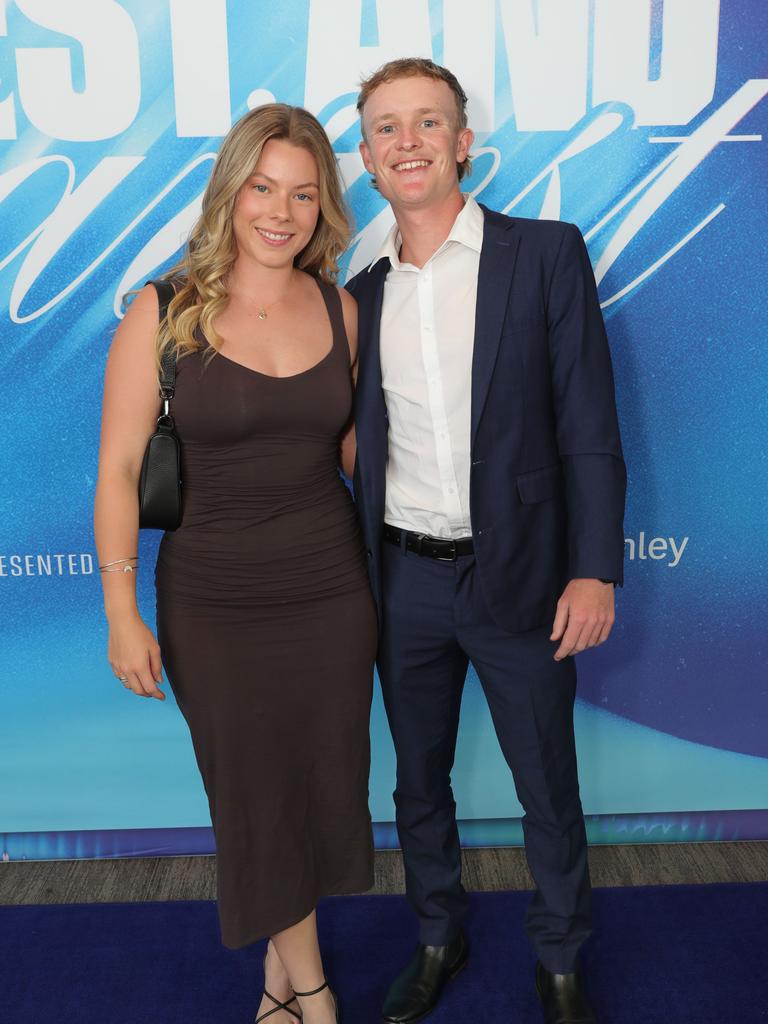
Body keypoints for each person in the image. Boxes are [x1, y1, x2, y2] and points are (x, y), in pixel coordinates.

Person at [346, 59, 626, 1024]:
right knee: (416, 780)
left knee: (547, 780)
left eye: (429, 122)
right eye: (387, 128)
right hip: (403, 579)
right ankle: (438, 932)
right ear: (369, 158)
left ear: (464, 142)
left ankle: (560, 957)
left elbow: (589, 423)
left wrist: (594, 567)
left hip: (526, 577)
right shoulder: (359, 291)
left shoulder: (546, 252)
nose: (408, 141)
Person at [94, 103, 377, 1024]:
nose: (281, 211)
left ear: (323, 206)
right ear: (231, 190)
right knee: (252, 792)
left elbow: (352, 455)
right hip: (213, 598)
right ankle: (319, 993)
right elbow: (121, 467)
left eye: (303, 193)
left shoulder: (340, 309)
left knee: (314, 783)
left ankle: (275, 987)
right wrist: (120, 612)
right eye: (263, 186)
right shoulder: (164, 308)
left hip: (331, 592)